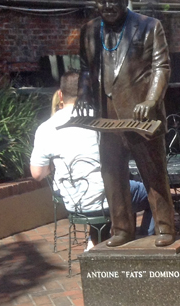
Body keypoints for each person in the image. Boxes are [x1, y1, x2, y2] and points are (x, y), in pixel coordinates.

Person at [77, 0, 174, 247]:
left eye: (113, 1)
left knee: (153, 175)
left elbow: (161, 68)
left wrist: (152, 101)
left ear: (125, 0)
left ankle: (164, 228)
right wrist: (84, 94)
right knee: (112, 173)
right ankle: (122, 229)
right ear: (96, 2)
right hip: (106, 118)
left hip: (142, 117)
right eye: (102, 1)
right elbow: (85, 67)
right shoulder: (89, 31)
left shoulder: (148, 26)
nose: (108, 6)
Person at [31, 71, 153, 240]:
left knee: (113, 188)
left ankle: (97, 240)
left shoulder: (45, 128)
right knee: (153, 194)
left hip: (73, 202)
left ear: (60, 94)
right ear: (89, 93)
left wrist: (54, 165)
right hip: (109, 198)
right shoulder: (101, 120)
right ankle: (146, 241)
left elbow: (37, 174)